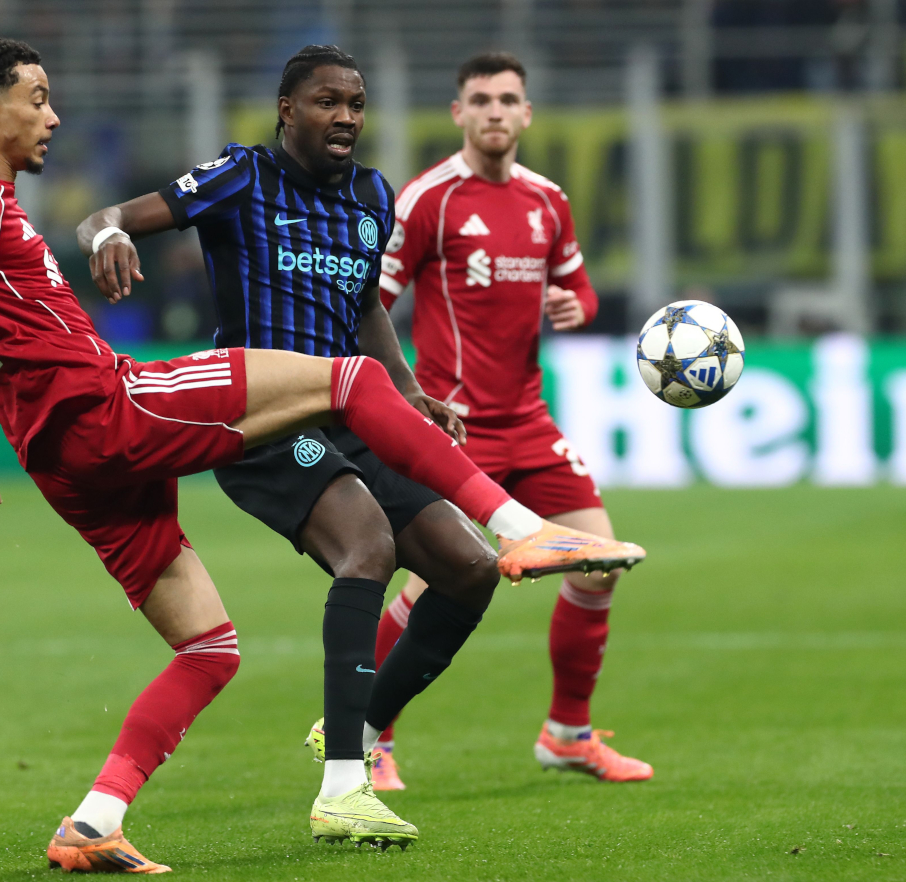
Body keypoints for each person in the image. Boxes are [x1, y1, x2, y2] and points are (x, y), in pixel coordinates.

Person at [0, 39, 641, 873]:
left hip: (65, 467)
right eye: (38, 99)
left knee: (210, 648)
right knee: (354, 385)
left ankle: (95, 821)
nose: (53, 116)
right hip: (110, 409)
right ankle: (520, 529)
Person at [78, 43, 647, 818]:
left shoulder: (372, 194)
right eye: (327, 102)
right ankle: (345, 784)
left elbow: (367, 305)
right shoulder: (242, 175)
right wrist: (107, 235)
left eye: (355, 104)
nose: (344, 117)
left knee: (468, 568)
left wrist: (408, 391)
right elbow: (108, 215)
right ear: (287, 110)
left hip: (350, 417)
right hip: (264, 424)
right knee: (368, 546)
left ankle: (364, 729)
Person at [369, 52, 654, 789]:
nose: (494, 111)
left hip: (530, 422)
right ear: (459, 113)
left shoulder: (547, 201)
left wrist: (574, 306)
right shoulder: (428, 200)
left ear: (526, 113)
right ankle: (371, 739)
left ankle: (567, 735)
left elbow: (581, 290)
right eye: (480, 99)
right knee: (430, 586)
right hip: (456, 431)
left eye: (506, 99)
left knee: (601, 563)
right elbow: (372, 302)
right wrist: (397, 395)